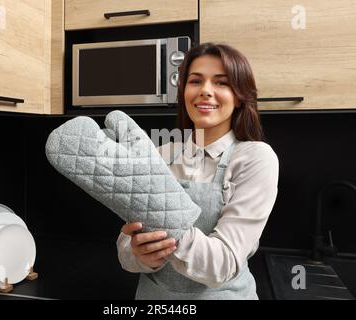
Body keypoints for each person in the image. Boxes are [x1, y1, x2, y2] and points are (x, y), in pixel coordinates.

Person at [116, 42, 279, 300]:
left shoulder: (254, 158)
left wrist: (165, 231)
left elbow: (222, 265)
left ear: (239, 96)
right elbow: (125, 249)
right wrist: (139, 255)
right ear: (183, 92)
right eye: (195, 81)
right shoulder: (160, 154)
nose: (205, 91)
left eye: (221, 83)